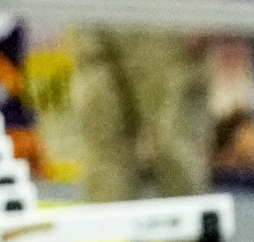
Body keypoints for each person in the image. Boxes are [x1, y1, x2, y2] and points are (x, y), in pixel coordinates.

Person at [73, 28, 215, 202]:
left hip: (163, 20)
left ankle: (190, 227)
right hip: (93, 18)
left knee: (175, 151)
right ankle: (106, 227)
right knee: (103, 152)